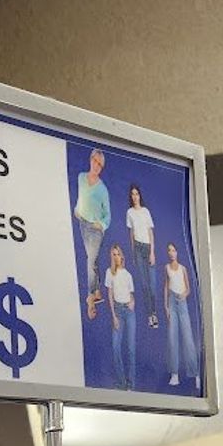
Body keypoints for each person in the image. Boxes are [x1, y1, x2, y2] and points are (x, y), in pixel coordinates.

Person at [74, 149, 110, 320]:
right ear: (90, 160)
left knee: (90, 260)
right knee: (93, 261)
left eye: (100, 165)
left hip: (95, 230)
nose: (97, 166)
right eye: (95, 161)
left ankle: (90, 298)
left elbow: (108, 215)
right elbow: (81, 197)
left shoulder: (103, 190)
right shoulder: (81, 177)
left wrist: (100, 225)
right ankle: (97, 291)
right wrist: (77, 209)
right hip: (83, 224)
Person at [163, 241, 200, 390]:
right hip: (172, 301)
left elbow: (188, 288)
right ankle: (174, 374)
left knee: (188, 337)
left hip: (182, 302)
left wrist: (184, 294)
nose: (172, 253)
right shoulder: (166, 268)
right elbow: (166, 287)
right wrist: (166, 306)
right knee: (172, 338)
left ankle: (195, 374)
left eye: (173, 250)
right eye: (169, 250)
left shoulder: (183, 268)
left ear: (177, 252)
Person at [126, 185, 158, 328]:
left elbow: (150, 232)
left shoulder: (145, 211)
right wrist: (133, 253)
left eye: (137, 194)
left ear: (140, 196)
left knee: (152, 285)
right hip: (138, 249)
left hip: (148, 248)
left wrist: (152, 252)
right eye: (132, 194)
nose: (135, 197)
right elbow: (131, 234)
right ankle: (151, 316)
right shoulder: (129, 212)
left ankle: (154, 312)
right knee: (144, 285)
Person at [106, 243, 136, 390]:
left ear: (122, 256)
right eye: (114, 254)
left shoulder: (128, 274)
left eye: (118, 254)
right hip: (117, 310)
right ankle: (121, 383)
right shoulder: (109, 273)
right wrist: (114, 316)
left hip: (129, 312)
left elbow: (131, 294)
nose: (116, 257)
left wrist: (132, 302)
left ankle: (131, 384)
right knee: (116, 347)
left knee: (131, 348)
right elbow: (110, 295)